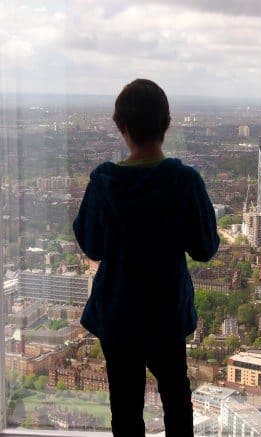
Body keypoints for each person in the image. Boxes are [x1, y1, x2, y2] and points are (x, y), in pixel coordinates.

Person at [73, 78, 219, 436]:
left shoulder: (105, 183)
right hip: (165, 313)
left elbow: (91, 246)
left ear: (120, 126)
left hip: (118, 314)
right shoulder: (185, 182)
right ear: (166, 124)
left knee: (125, 408)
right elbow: (204, 248)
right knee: (176, 399)